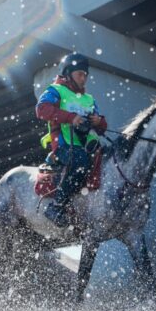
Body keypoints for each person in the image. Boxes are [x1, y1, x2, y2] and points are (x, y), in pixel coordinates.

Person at [35, 53, 107, 227]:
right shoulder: (55, 90)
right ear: (68, 73)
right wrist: (70, 118)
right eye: (79, 74)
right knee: (80, 161)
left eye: (85, 75)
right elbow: (41, 109)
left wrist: (99, 121)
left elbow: (102, 127)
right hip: (64, 144)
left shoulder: (89, 99)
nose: (83, 79)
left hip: (87, 145)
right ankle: (56, 206)